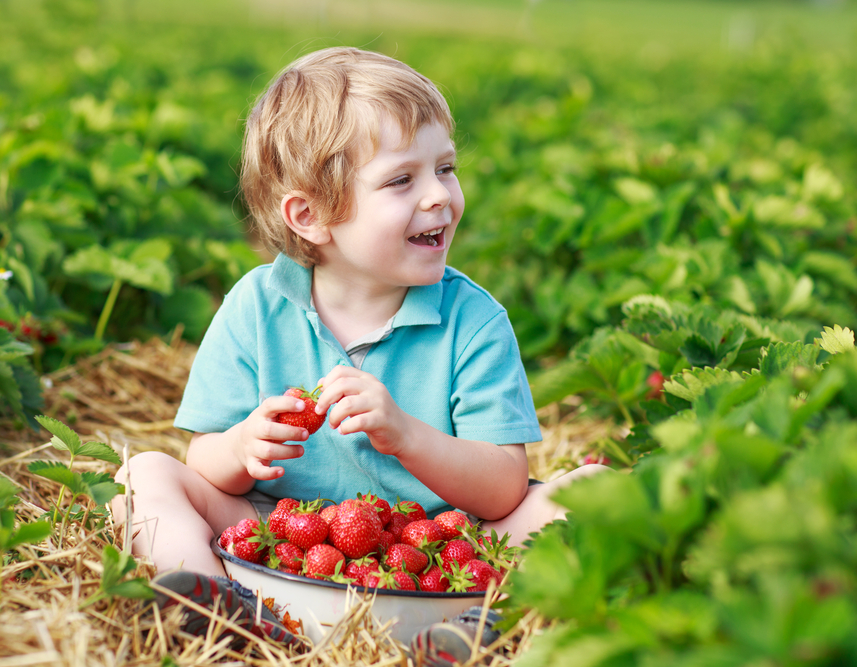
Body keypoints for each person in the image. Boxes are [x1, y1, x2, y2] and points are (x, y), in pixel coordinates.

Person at [113, 46, 604, 660]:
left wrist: (405, 433)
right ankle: (215, 608)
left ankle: (481, 629)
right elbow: (203, 460)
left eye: (445, 168)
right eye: (402, 179)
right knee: (146, 475)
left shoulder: (473, 320)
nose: (439, 197)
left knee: (588, 494)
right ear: (311, 216)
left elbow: (504, 488)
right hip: (277, 537)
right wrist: (243, 448)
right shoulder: (255, 307)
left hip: (441, 555)